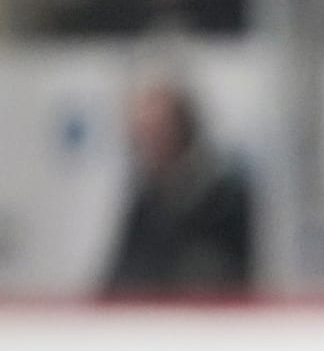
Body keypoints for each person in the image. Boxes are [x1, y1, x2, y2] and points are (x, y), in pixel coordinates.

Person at [101, 77, 254, 296]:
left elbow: (226, 275)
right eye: (143, 133)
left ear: (182, 125)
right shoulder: (146, 200)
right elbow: (119, 277)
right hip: (147, 322)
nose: (150, 143)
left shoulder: (222, 198)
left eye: (158, 129)